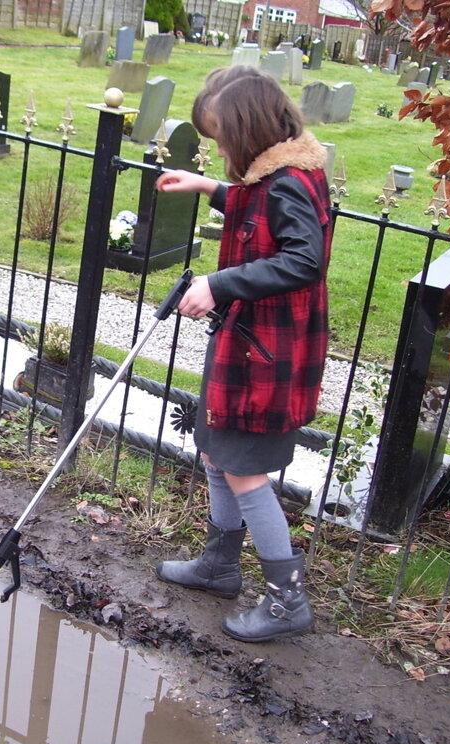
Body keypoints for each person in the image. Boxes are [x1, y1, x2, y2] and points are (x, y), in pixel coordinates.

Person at [154, 67, 332, 642]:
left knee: (245, 470)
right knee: (216, 451)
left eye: (222, 138)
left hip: (266, 352)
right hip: (247, 343)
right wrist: (208, 188)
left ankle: (287, 601)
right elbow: (257, 210)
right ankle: (220, 565)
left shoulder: (288, 181)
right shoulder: (274, 172)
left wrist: (221, 284)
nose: (221, 149)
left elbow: (304, 260)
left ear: (248, 131)